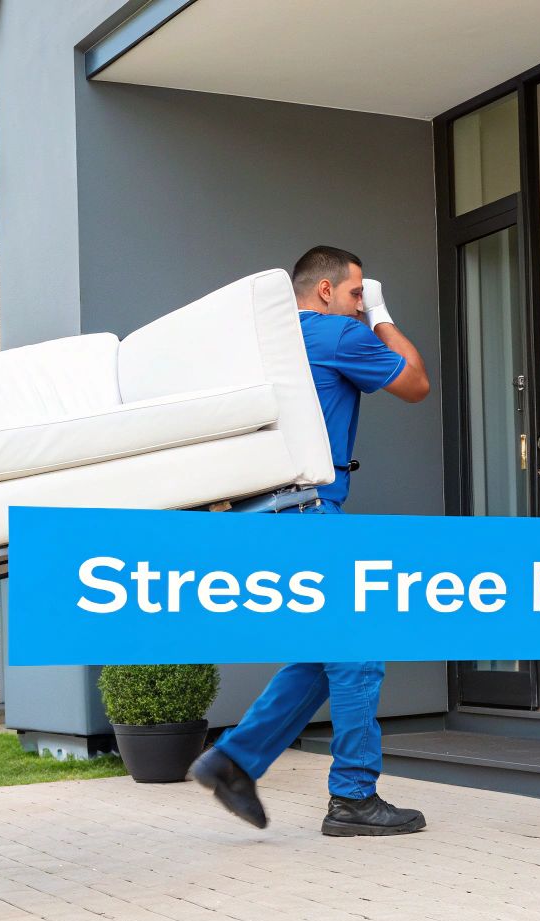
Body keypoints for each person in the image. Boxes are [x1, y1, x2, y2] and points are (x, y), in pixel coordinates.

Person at [189, 245, 432, 837]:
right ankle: (352, 796)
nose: (356, 305)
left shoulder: (266, 340)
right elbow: (417, 384)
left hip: (262, 512)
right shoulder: (338, 335)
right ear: (325, 292)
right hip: (306, 510)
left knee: (326, 653)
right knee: (359, 647)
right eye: (353, 292)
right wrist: (379, 312)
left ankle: (234, 761)